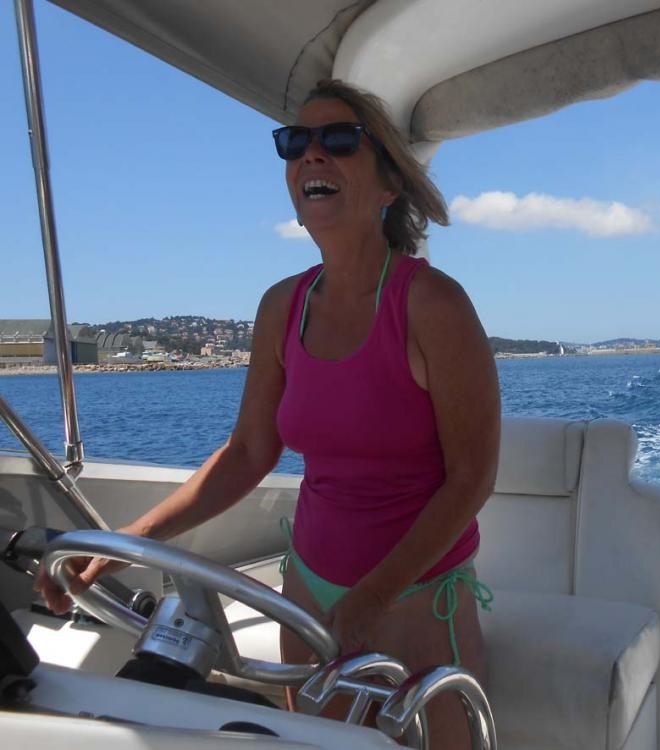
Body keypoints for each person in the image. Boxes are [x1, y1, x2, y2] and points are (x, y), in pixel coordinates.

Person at [35, 79, 501, 750]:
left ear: (390, 183)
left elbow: (472, 477)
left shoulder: (434, 305)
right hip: (308, 590)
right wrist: (121, 546)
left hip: (415, 597)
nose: (312, 154)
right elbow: (249, 452)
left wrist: (375, 594)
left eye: (339, 140)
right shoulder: (282, 306)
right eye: (295, 142)